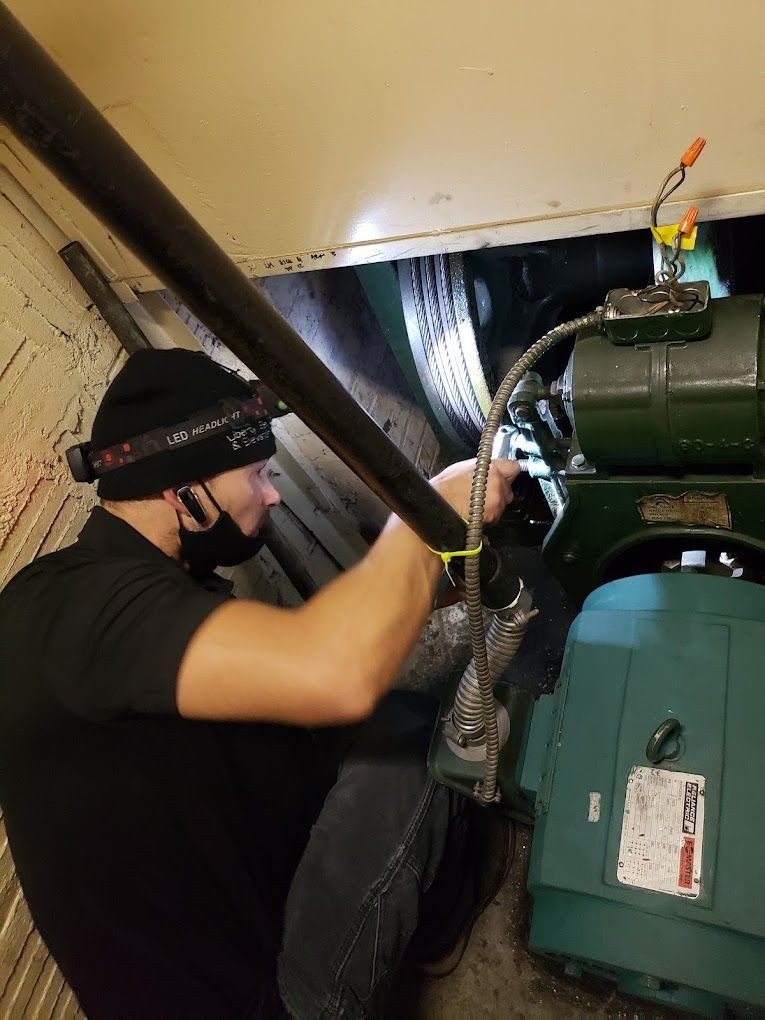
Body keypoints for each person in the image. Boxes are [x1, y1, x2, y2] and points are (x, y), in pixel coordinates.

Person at [0, 348, 519, 1019]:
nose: (272, 494)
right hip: (260, 999)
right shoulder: (86, 611)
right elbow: (336, 673)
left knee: (346, 726)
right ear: (181, 493)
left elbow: (295, 670)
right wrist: (436, 506)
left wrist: (421, 592)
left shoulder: (88, 590)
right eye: (257, 474)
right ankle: (441, 939)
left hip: (222, 911)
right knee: (418, 737)